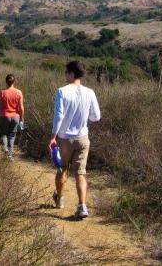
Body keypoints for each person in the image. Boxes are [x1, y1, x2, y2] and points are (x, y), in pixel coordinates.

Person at [48, 60, 100, 219]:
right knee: (80, 173)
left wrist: (53, 137)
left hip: (65, 138)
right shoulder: (90, 92)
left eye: (66, 72)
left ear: (71, 73)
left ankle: (60, 199)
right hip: (83, 137)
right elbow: (96, 117)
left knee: (63, 168)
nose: (65, 75)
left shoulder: (61, 91)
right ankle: (82, 206)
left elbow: (58, 116)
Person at [0, 74, 24, 161]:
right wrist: (22, 119)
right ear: (14, 81)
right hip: (16, 116)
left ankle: (5, 149)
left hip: (5, 115)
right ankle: (10, 155)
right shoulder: (19, 92)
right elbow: (21, 108)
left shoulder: (2, 92)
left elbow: (1, 105)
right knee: (12, 136)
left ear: (6, 81)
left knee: (4, 134)